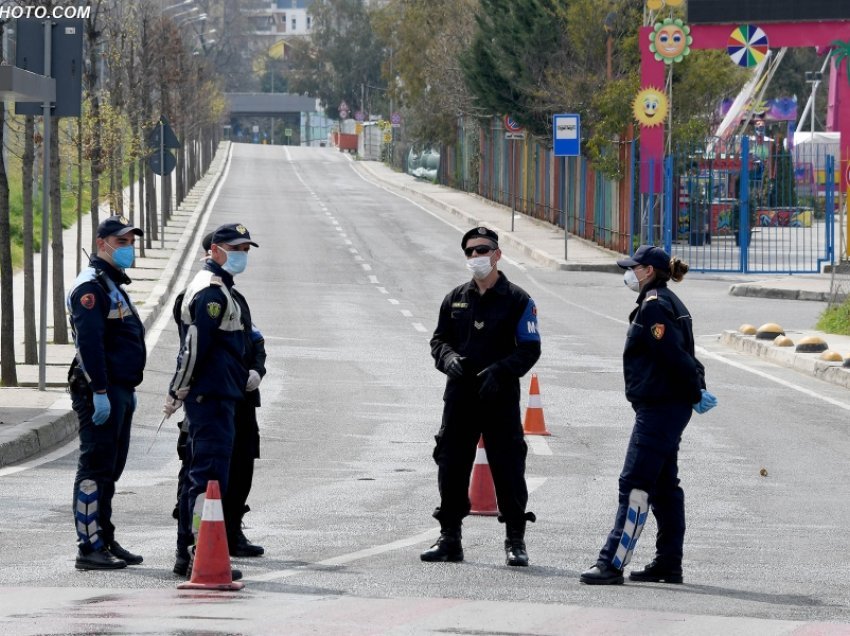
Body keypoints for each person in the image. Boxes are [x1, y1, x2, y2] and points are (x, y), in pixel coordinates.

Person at [580, 245, 717, 585]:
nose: (628, 273)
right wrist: (695, 388)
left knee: (636, 484)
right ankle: (668, 564)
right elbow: (683, 355)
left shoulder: (655, 307)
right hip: (666, 407)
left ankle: (611, 563)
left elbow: (673, 356)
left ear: (648, 271)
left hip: (660, 409)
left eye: (633, 267)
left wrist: (694, 389)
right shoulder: (667, 302)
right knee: (665, 487)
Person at [423, 226, 541, 566]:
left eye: (483, 250)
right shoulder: (455, 298)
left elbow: (530, 348)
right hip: (460, 398)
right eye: (471, 252)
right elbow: (438, 340)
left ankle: (515, 540)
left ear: (497, 254)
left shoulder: (518, 299)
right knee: (451, 464)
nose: (477, 257)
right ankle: (449, 538)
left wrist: (502, 371)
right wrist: (447, 359)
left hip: (499, 398)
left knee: (508, 467)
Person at [164, 223, 258, 576]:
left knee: (205, 477)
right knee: (205, 480)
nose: (241, 255)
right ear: (214, 249)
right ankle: (196, 553)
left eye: (246, 250)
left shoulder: (223, 290)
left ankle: (191, 552)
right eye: (236, 249)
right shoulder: (210, 293)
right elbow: (194, 348)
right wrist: (178, 389)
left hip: (221, 397)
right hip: (210, 399)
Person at [67, 215, 146, 570]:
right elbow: (90, 345)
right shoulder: (91, 286)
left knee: (111, 469)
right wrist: (100, 390)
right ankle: (89, 546)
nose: (129, 247)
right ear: (102, 244)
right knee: (95, 469)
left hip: (118, 387)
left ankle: (106, 537)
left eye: (131, 241)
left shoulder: (110, 282)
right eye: (122, 241)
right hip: (100, 388)